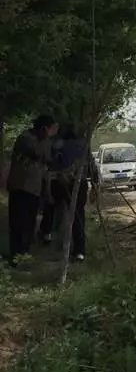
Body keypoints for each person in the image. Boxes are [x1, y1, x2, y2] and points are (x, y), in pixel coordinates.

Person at [5, 114, 58, 266]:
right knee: (17, 224)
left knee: (29, 224)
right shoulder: (26, 138)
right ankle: (16, 256)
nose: (52, 133)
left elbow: (47, 161)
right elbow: (37, 153)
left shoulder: (44, 141)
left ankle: (25, 254)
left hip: (34, 189)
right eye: (51, 129)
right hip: (20, 187)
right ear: (43, 128)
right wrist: (48, 141)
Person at [55, 124, 99, 261]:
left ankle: (62, 243)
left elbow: (53, 163)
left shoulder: (59, 145)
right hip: (80, 183)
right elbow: (92, 166)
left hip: (62, 183)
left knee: (61, 212)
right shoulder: (83, 145)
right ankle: (79, 250)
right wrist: (95, 184)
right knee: (78, 215)